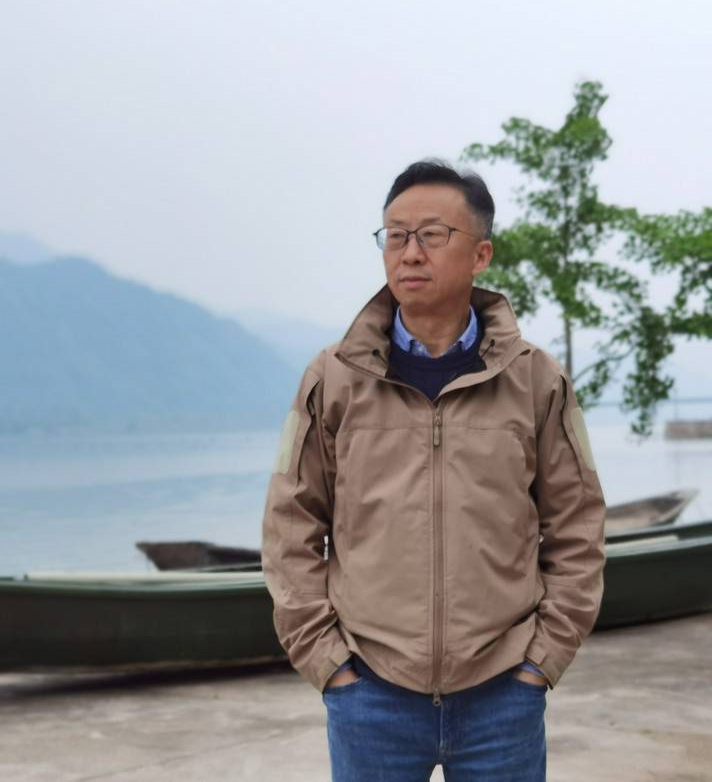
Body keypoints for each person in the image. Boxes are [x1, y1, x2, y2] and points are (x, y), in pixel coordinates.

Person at [260, 159, 607, 781]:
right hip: (370, 694)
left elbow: (578, 524)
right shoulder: (333, 378)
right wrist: (329, 664)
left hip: (504, 695)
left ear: (481, 255)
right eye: (395, 236)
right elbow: (290, 524)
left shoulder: (535, 379)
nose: (410, 252)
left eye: (431, 234)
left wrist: (541, 661)